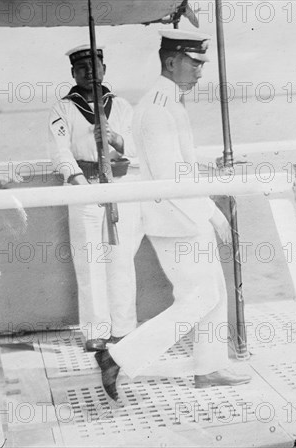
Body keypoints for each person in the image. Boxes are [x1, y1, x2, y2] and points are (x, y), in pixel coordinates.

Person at [95, 29, 251, 400]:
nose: (200, 71)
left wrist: (209, 183)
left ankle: (208, 367)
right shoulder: (157, 108)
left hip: (183, 215)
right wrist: (211, 212)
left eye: (201, 64)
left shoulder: (170, 102)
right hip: (176, 219)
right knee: (200, 297)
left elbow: (180, 162)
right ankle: (117, 356)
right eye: (193, 63)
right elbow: (169, 175)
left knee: (210, 292)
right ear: (171, 62)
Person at [48, 45, 142, 352]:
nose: (90, 72)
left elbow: (139, 146)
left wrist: (116, 139)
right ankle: (95, 331)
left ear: (104, 69)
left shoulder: (122, 106)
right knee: (89, 261)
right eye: (83, 68)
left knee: (121, 259)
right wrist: (76, 179)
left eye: (95, 66)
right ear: (73, 74)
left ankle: (124, 327)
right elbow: (60, 150)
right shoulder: (64, 109)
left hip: (119, 185)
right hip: (85, 187)